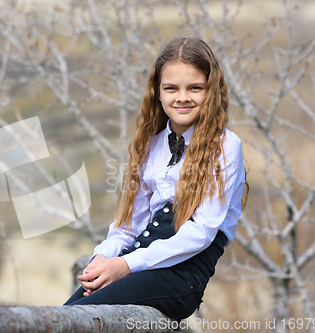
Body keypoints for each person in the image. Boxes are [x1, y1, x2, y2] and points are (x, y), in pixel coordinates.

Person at [64, 37, 248, 321]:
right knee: (61, 316)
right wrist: (103, 258)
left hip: (181, 276)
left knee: (81, 317)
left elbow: (201, 233)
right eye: (171, 88)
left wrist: (126, 265)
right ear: (158, 92)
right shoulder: (150, 145)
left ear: (210, 91)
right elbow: (128, 227)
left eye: (195, 88)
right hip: (139, 263)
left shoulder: (224, 146)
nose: (182, 97)